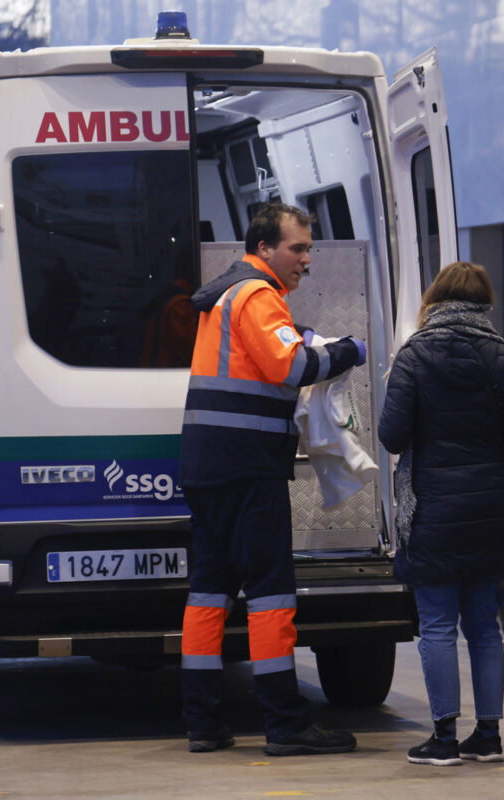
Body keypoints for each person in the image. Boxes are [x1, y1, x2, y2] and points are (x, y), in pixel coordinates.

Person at [178, 203, 366, 756]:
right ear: (264, 248)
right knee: (270, 594)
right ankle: (286, 724)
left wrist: (300, 334)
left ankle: (202, 722)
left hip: (208, 466)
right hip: (247, 467)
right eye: (297, 248)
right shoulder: (257, 295)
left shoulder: (226, 296)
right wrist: (346, 351)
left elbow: (256, 356)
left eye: (309, 249)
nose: (307, 259)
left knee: (208, 594)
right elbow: (292, 367)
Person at [378, 261, 504, 767]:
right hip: (492, 512)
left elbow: (392, 436)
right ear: (484, 302)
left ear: (435, 298)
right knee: (483, 627)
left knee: (437, 626)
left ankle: (442, 739)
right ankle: (489, 736)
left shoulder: (414, 355)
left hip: (433, 511)